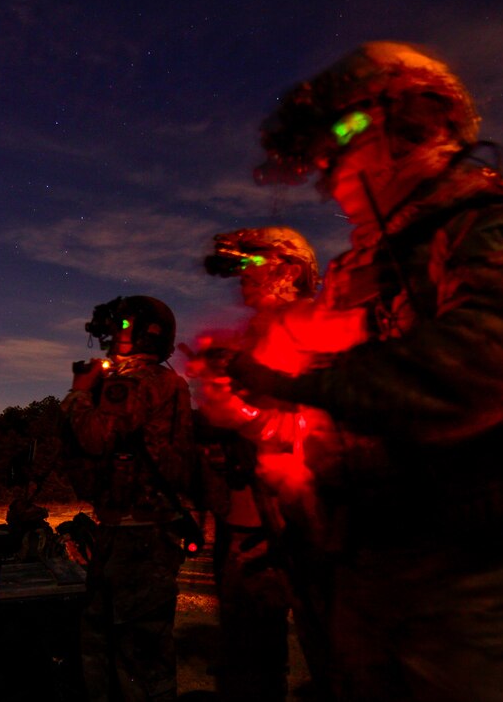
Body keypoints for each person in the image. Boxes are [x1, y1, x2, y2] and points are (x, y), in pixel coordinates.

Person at [208, 41, 503, 700]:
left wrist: (299, 385)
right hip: (375, 558)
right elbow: (314, 344)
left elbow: (487, 364)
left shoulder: (492, 226)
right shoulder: (365, 267)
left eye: (342, 136)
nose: (327, 170)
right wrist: (251, 382)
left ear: (416, 120)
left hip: (485, 567)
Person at [191, 227, 322, 701]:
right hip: (247, 517)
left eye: (253, 266)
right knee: (247, 652)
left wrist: (246, 414)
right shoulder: (254, 334)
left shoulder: (319, 327)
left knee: (333, 646)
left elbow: (320, 420)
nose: (241, 278)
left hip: (307, 519)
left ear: (289, 271)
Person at [61, 295, 196, 701]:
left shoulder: (132, 381)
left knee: (124, 653)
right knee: (137, 648)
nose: (114, 338)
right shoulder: (169, 382)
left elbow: (96, 437)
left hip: (134, 538)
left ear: (144, 334)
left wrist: (79, 394)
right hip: (148, 532)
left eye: (122, 329)